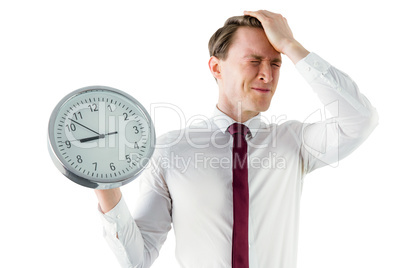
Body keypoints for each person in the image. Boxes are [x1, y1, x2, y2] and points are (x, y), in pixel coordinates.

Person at [95, 10, 378, 268]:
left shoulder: (295, 143)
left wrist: (292, 46)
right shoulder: (171, 151)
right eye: (254, 61)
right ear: (217, 68)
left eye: (276, 63)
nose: (267, 74)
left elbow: (360, 120)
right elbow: (137, 258)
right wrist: (103, 183)